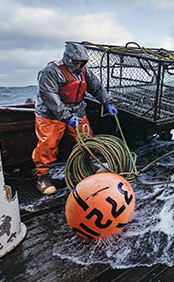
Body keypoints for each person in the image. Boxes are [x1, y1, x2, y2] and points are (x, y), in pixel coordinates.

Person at [32, 44, 117, 195]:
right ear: (68, 59)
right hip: (51, 114)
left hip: (77, 111)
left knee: (86, 139)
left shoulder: (84, 72)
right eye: (76, 62)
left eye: (82, 62)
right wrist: (67, 117)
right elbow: (50, 97)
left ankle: (87, 165)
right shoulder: (50, 72)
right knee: (48, 145)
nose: (79, 65)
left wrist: (108, 103)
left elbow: (97, 88)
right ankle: (42, 177)